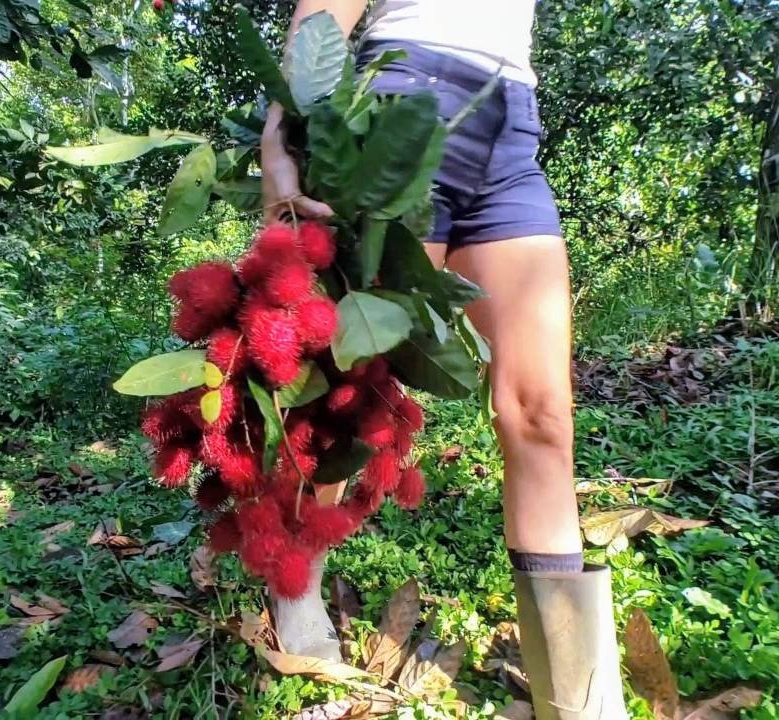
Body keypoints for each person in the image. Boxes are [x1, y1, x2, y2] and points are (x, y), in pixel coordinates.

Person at [259, 3, 626, 719]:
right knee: (351, 389)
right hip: (404, 94)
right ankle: (295, 583)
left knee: (543, 413)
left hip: (511, 123)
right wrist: (279, 137)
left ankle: (579, 698)